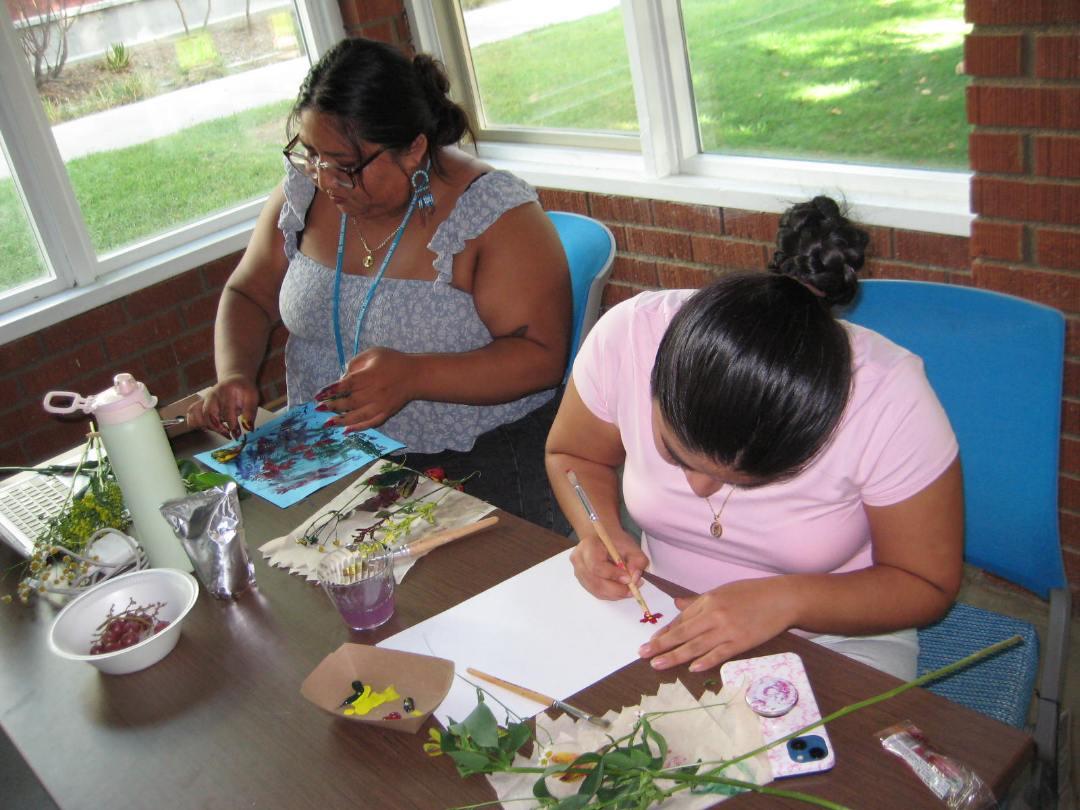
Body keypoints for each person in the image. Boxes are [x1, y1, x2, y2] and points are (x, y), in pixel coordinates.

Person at [545, 196, 963, 680]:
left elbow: (925, 584)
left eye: (743, 481)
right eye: (676, 454)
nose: (699, 490)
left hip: (834, 635)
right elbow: (574, 453)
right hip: (660, 607)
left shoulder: (888, 398)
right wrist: (600, 531)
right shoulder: (631, 337)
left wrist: (786, 600)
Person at [187, 38, 572, 530]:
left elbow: (542, 357)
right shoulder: (304, 194)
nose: (325, 179)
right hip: (326, 455)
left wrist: (415, 376)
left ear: (413, 149)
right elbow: (249, 293)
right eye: (311, 154)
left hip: (472, 463)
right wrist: (234, 373)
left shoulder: (494, 216)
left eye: (345, 165)